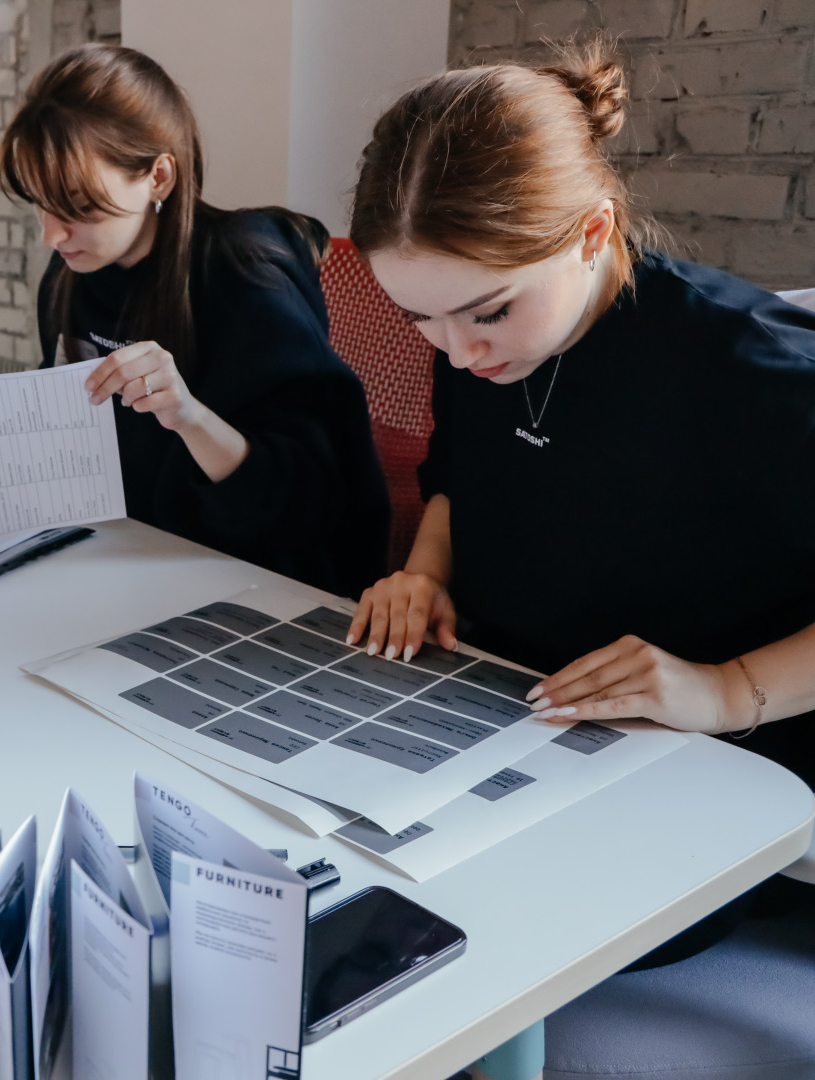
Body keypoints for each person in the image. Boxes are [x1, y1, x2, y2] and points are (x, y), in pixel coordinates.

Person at [344, 40, 815, 957]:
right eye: (417, 317)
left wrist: (727, 691)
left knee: (475, 937)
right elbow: (460, 483)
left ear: (594, 232)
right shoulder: (480, 343)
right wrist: (423, 573)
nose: (458, 353)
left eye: (488, 310)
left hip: (711, 759)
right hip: (518, 714)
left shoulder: (752, 368)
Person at [0, 44, 389, 599]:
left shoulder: (246, 277)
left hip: (263, 586)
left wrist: (186, 415)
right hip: (126, 566)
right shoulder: (72, 277)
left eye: (79, 207)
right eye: (40, 203)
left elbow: (315, 504)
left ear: (158, 177)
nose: (51, 235)